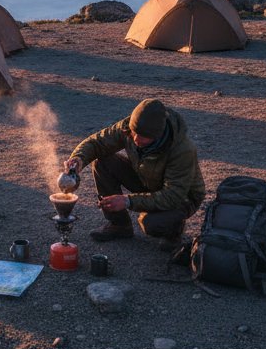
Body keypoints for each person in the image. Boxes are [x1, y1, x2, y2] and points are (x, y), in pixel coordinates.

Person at [62, 97, 206, 248]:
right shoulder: (128, 127)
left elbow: (173, 195)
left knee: (151, 223)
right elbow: (97, 142)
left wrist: (127, 201)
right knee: (103, 163)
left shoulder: (182, 150)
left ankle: (174, 231)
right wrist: (78, 159)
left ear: (157, 135)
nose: (136, 139)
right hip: (147, 179)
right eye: (134, 132)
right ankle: (119, 225)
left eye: (143, 136)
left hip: (182, 198)